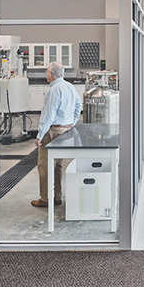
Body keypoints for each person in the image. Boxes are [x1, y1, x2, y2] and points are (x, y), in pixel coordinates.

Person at [32, 62, 82, 209]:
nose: (47, 74)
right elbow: (79, 106)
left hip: (52, 131)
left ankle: (45, 199)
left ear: (51, 74)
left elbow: (48, 115)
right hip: (65, 131)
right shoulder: (69, 87)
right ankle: (57, 197)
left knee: (44, 166)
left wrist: (40, 135)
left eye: (47, 72)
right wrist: (72, 122)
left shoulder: (54, 90)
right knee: (58, 165)